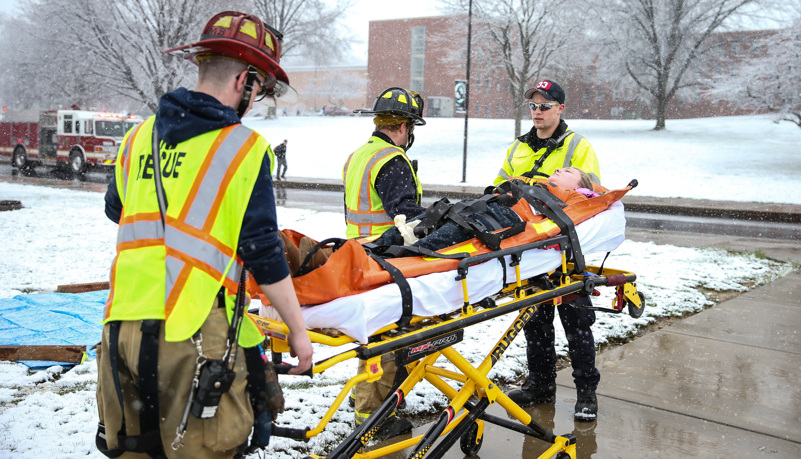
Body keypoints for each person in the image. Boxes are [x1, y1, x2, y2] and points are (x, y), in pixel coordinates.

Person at [96, 11, 313, 458]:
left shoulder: (138, 138)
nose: (257, 101)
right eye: (262, 90)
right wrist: (297, 330)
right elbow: (263, 252)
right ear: (245, 81)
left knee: (136, 449)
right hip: (193, 332)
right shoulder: (244, 148)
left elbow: (117, 209)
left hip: (121, 329)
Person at [495, 80, 603, 421]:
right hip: (529, 247)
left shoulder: (577, 147)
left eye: (545, 105)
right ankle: (540, 385)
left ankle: (586, 392)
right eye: (533, 106)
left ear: (560, 108)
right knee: (535, 321)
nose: (538, 111)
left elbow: (590, 198)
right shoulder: (518, 148)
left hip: (564, 249)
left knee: (577, 323)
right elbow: (501, 185)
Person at [342, 87, 426, 439]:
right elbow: (406, 218)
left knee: (378, 332)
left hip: (358, 252)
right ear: (405, 128)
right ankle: (372, 414)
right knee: (388, 336)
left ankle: (375, 392)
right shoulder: (392, 160)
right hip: (385, 257)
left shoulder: (360, 155)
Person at [373, 168, 595, 252]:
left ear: (579, 187)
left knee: (447, 234)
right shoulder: (535, 183)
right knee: (429, 218)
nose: (558, 169)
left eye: (567, 171)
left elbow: (590, 203)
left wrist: (589, 194)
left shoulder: (574, 197)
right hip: (485, 204)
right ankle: (372, 250)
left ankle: (401, 259)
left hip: (505, 217)